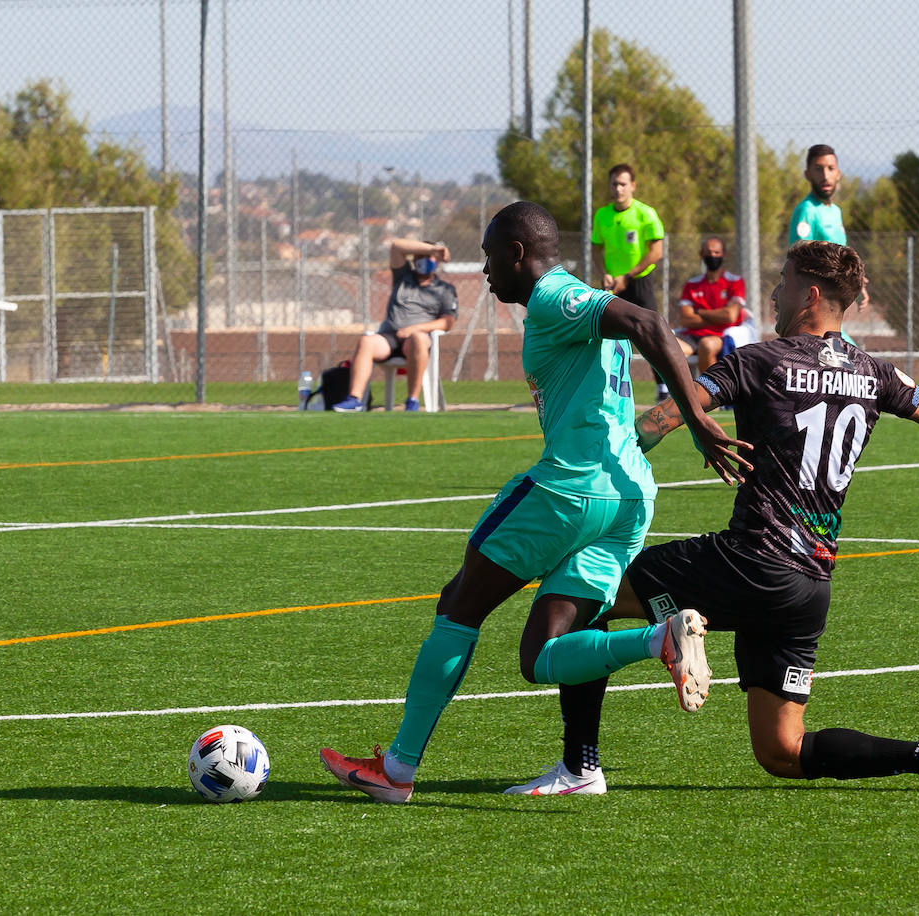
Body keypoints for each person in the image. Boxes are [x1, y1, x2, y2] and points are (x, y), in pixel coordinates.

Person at [504, 240, 919, 797]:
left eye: (782, 280)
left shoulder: (760, 360)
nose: (773, 293)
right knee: (783, 752)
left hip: (746, 563)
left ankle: (581, 768)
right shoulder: (875, 373)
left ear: (811, 294)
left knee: (586, 594)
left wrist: (610, 460)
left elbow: (665, 416)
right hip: (806, 587)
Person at [320, 201, 748, 803]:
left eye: (493, 257)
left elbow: (651, 325)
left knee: (458, 603)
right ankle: (659, 640)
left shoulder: (553, 296)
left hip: (566, 491)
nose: (488, 272)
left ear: (519, 253)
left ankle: (397, 770)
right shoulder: (573, 302)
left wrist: (700, 423)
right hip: (628, 500)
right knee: (541, 653)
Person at [332, 239, 458, 413]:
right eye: (421, 257)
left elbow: (447, 322)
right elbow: (396, 246)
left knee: (418, 339)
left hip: (416, 341)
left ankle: (412, 401)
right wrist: (434, 249)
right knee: (367, 341)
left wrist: (415, 329)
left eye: (430, 257)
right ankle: (355, 399)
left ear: (437, 262)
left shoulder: (445, 289)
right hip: (389, 337)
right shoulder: (403, 278)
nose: (426, 260)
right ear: (413, 260)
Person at [592, 164, 669, 400]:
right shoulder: (602, 215)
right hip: (613, 285)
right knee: (605, 336)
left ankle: (663, 387)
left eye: (623, 184)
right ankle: (606, 387)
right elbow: (596, 247)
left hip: (639, 282)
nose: (618, 188)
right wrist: (604, 272)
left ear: (633, 186)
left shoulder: (645, 213)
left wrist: (629, 275)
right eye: (614, 183)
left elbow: (656, 251)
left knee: (651, 333)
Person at [789, 143, 869, 328]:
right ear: (807, 174)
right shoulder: (806, 210)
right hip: (813, 312)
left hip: (832, 309)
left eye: (830, 168)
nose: (825, 175)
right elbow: (800, 254)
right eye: (818, 169)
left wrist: (856, 281)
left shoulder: (835, 212)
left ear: (838, 173)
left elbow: (839, 257)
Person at [676, 235, 745, 371]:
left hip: (720, 336)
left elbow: (730, 316)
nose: (712, 256)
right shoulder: (692, 284)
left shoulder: (735, 282)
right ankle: (669, 391)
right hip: (692, 337)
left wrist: (699, 312)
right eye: (708, 253)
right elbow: (685, 320)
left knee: (706, 346)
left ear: (724, 254)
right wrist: (719, 317)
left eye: (716, 253)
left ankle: (709, 391)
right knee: (665, 345)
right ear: (701, 255)